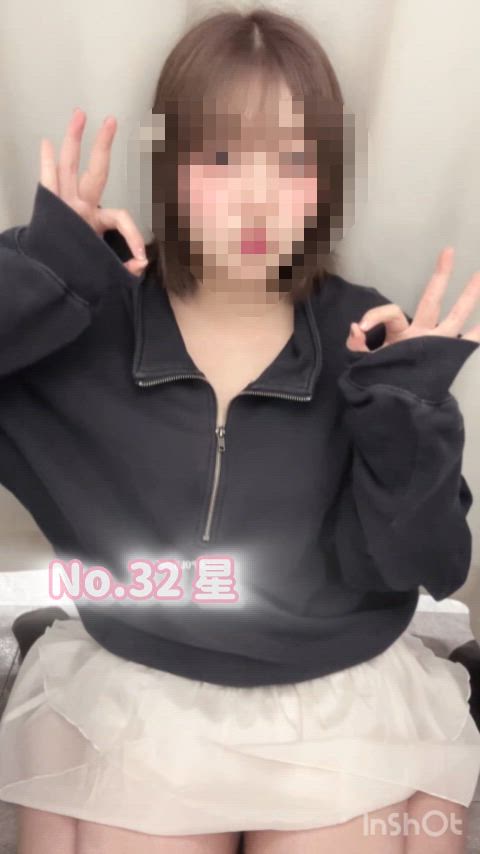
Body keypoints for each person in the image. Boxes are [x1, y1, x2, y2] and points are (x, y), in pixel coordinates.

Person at [1, 7, 480, 854]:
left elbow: (431, 565)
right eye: (222, 159)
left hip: (339, 696)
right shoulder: (85, 319)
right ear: (170, 166)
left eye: (293, 162)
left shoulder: (364, 336)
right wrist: (44, 270)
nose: (258, 197)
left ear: (327, 180)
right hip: (135, 687)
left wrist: (408, 415)